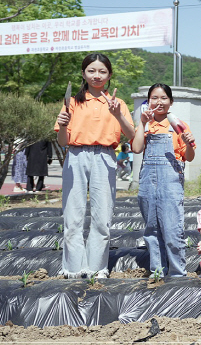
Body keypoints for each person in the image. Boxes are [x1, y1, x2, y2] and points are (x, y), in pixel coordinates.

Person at [55, 53, 135, 279]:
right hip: (76, 155)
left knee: (102, 215)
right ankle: (72, 268)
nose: (97, 75)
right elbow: (63, 141)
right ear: (83, 74)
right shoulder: (72, 102)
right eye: (91, 71)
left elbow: (132, 136)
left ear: (109, 75)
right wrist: (62, 126)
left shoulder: (117, 103)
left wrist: (118, 115)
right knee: (73, 213)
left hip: (105, 156)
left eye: (102, 71)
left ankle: (97, 267)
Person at [132, 83, 195, 278]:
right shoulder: (146, 123)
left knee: (172, 228)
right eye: (154, 98)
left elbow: (190, 157)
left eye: (163, 98)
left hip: (171, 182)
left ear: (171, 102)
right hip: (147, 181)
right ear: (148, 101)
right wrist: (142, 123)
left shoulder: (178, 126)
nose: (159, 102)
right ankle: (158, 272)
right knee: (151, 229)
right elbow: (136, 149)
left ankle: (177, 273)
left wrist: (188, 142)